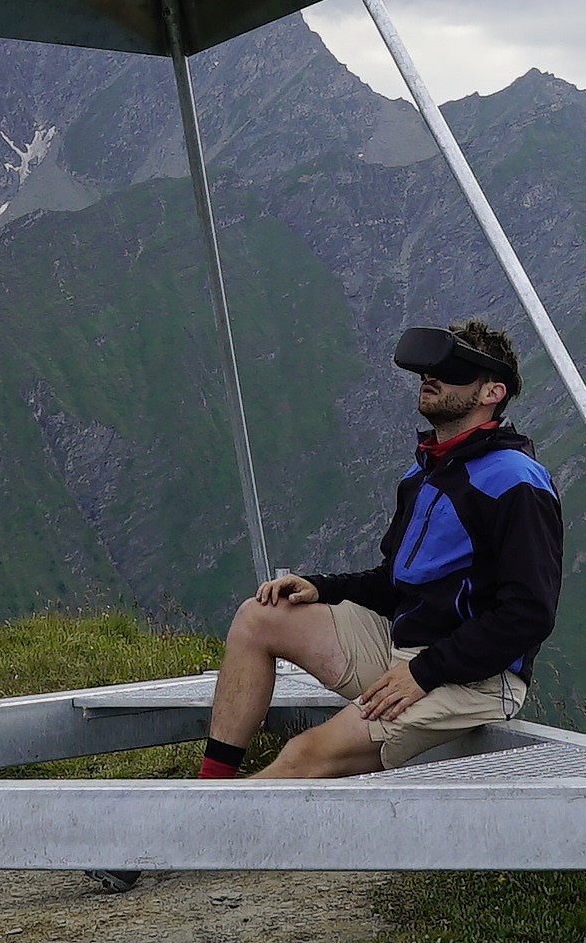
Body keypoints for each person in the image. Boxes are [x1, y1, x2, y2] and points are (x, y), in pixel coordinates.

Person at [193, 318, 566, 780]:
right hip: (403, 649)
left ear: (492, 393)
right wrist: (320, 587)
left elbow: (530, 612)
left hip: (477, 678)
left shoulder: (516, 480)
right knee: (259, 615)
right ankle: (210, 785)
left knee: (304, 755)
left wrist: (425, 673)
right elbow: (395, 583)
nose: (430, 376)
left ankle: (201, 832)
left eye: (451, 369)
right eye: (428, 368)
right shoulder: (425, 475)